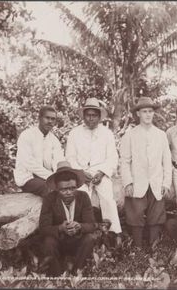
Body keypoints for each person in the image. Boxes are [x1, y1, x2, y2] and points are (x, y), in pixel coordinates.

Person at [65, 98, 122, 243]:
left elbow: (112, 157)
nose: (91, 118)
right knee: (80, 198)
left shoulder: (106, 133)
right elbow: (70, 157)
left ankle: (113, 234)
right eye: (88, 115)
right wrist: (80, 173)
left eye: (94, 115)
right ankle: (80, 233)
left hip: (100, 173)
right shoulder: (74, 133)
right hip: (80, 173)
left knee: (108, 199)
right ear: (83, 116)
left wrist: (101, 173)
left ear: (99, 117)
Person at [120, 97, 172, 249]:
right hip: (137, 181)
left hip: (156, 181)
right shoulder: (130, 135)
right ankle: (138, 249)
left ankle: (154, 247)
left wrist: (166, 183)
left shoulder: (161, 135)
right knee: (135, 214)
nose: (148, 115)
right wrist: (128, 182)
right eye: (144, 112)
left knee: (156, 215)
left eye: (150, 111)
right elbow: (125, 161)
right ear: (138, 114)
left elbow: (166, 161)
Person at [39, 161, 96, 276]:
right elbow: (43, 228)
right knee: (48, 242)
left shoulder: (83, 197)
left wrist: (79, 226)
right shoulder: (49, 199)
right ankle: (56, 274)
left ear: (77, 186)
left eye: (72, 188)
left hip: (77, 242)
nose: (69, 192)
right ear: (56, 188)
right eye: (63, 190)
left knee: (90, 238)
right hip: (59, 243)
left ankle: (77, 271)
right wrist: (60, 228)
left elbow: (91, 225)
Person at [14, 106, 64, 197]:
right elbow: (28, 163)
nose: (50, 121)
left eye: (53, 119)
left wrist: (59, 177)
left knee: (67, 189)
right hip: (28, 178)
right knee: (49, 189)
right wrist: (51, 177)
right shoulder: (27, 135)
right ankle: (49, 212)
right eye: (47, 118)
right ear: (39, 118)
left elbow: (59, 160)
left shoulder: (54, 140)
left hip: (49, 178)